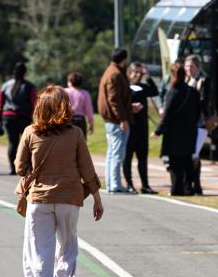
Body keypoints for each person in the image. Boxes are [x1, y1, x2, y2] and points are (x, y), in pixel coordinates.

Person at [15, 85, 103, 277]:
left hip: (39, 201)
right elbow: (87, 168)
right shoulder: (75, 133)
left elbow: (20, 168)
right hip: (69, 199)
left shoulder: (30, 132)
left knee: (41, 253)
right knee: (67, 247)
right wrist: (96, 198)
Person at [154, 61, 200, 196]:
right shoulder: (193, 92)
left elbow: (167, 115)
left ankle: (176, 189)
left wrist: (158, 131)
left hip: (174, 133)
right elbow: (198, 112)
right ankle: (188, 188)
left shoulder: (172, 92)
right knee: (187, 161)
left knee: (175, 163)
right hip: (190, 131)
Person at [97, 48, 140, 193]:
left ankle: (111, 184)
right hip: (116, 120)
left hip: (112, 119)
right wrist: (122, 118)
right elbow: (113, 99)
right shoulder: (115, 74)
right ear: (124, 59)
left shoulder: (110, 71)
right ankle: (115, 185)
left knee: (112, 153)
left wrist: (129, 108)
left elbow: (116, 99)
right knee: (117, 154)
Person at [124, 62, 160, 194]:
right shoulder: (125, 87)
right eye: (136, 72)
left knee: (143, 158)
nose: (138, 75)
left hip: (142, 128)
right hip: (130, 127)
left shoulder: (143, 87)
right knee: (127, 157)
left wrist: (148, 77)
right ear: (129, 73)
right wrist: (131, 107)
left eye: (140, 73)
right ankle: (129, 184)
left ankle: (145, 185)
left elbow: (155, 91)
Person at [0, 62, 38, 175]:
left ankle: (12, 167)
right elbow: (35, 104)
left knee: (12, 143)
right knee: (26, 144)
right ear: (25, 72)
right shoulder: (30, 86)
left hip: (8, 117)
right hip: (24, 117)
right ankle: (25, 166)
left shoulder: (5, 86)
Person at [186, 54, 217, 195]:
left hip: (200, 121)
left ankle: (195, 184)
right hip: (189, 122)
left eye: (191, 66)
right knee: (193, 154)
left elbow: (204, 100)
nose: (188, 69)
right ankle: (195, 185)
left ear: (197, 66)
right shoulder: (188, 80)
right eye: (186, 66)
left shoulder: (204, 80)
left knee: (193, 153)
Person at [64, 72, 94, 137]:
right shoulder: (85, 93)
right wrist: (91, 123)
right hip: (80, 121)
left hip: (67, 120)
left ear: (70, 82)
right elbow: (89, 110)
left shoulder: (64, 92)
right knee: (81, 144)